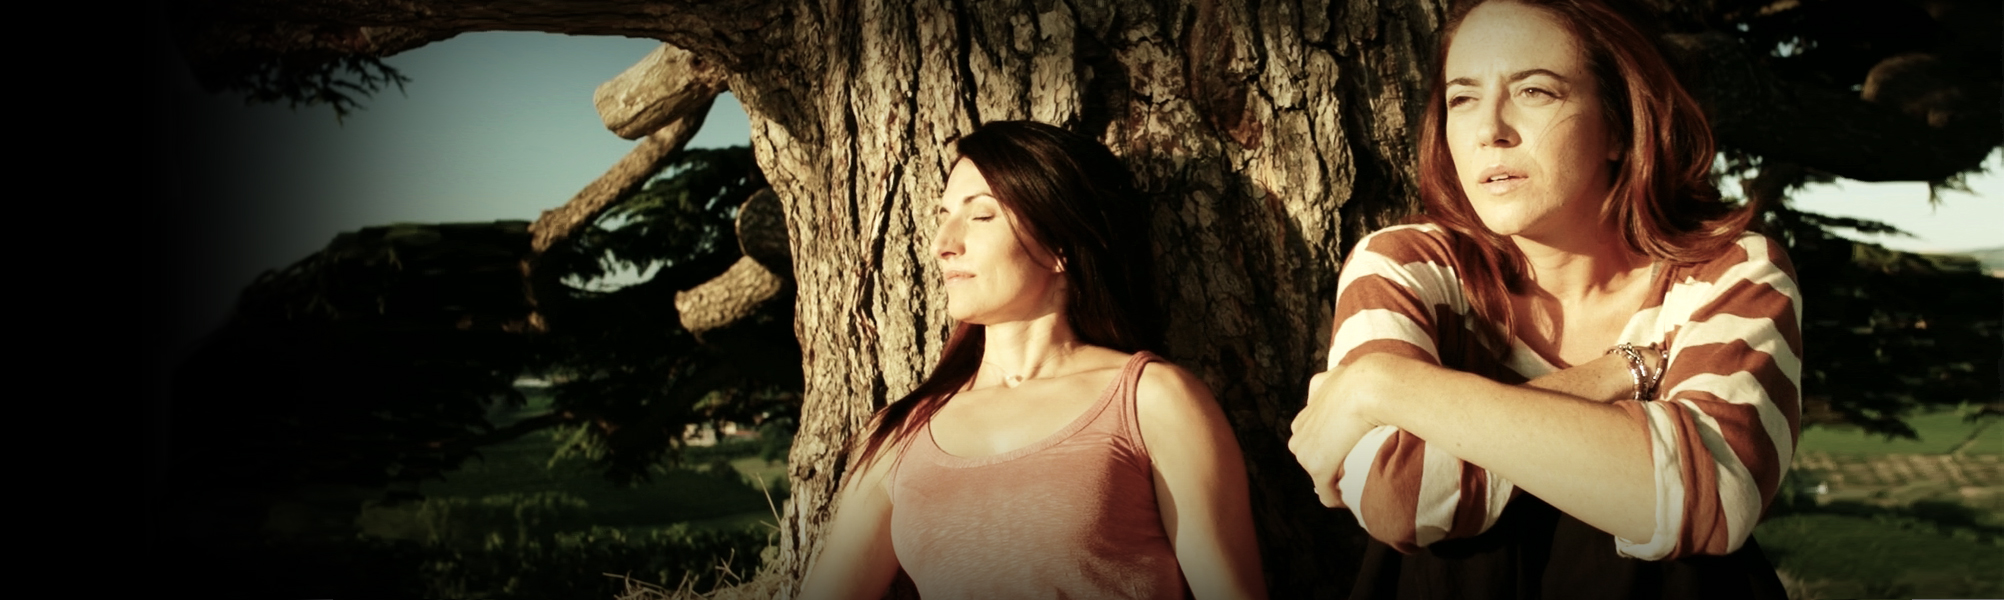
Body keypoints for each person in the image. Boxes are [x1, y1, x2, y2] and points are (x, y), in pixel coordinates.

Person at [1288, 0, 1801, 598]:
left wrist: (1382, 385)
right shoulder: (1404, 264)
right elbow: (1399, 494)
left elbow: (1710, 495)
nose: (1490, 131)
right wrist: (1620, 375)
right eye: (1463, 98)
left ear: (1619, 125)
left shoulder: (1730, 269)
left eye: (1534, 91)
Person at [799, 120, 1267, 600]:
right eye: (943, 215)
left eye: (982, 216)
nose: (943, 244)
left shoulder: (1152, 400)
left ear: (1060, 244)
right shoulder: (898, 435)